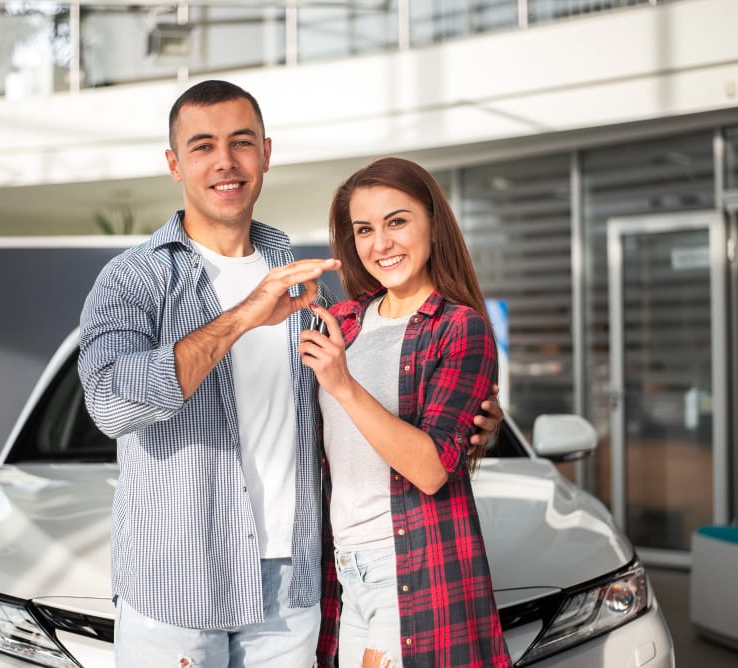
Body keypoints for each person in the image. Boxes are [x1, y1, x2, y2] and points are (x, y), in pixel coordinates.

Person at [78, 80, 504, 667]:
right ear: (174, 163)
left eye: (242, 142)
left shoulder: (310, 283)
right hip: (175, 583)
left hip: (299, 585)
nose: (225, 162)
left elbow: (375, 395)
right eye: (202, 146)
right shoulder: (133, 280)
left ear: (266, 153)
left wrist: (477, 422)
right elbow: (110, 405)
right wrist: (244, 316)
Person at [301, 157, 511, 667]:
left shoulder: (459, 329)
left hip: (407, 564)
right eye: (364, 229)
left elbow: (431, 469)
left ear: (433, 225)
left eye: (397, 221)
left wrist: (344, 385)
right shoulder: (343, 322)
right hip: (343, 568)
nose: (381, 243)